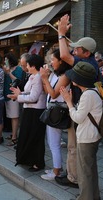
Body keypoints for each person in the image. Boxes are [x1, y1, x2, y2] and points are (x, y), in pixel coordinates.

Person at [55, 14, 99, 188]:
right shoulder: (88, 61)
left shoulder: (87, 65)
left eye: (78, 49)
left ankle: (74, 179)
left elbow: (65, 56)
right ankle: (75, 176)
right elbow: (68, 53)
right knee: (77, 150)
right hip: (83, 113)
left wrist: (60, 34)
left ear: (86, 53)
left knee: (76, 149)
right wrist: (64, 36)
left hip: (82, 114)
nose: (74, 51)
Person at [60, 61, 102, 200]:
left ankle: (85, 198)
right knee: (90, 171)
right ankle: (93, 196)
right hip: (92, 136)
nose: (71, 79)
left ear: (80, 79)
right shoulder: (93, 91)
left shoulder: (87, 95)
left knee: (84, 173)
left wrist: (68, 102)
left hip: (86, 138)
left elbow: (77, 118)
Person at [7, 54, 46, 171]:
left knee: (35, 137)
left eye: (27, 65)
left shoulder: (38, 77)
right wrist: (19, 93)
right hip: (29, 110)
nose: (25, 67)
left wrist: (18, 97)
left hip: (36, 111)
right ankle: (28, 159)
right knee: (27, 135)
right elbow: (28, 93)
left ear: (33, 66)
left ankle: (37, 162)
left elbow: (33, 97)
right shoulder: (32, 76)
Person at [39, 48, 72, 180]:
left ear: (61, 61)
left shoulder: (65, 76)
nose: (51, 62)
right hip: (52, 110)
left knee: (54, 143)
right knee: (52, 142)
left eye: (53, 59)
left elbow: (53, 94)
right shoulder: (55, 74)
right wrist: (45, 78)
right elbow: (47, 91)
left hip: (58, 112)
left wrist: (45, 78)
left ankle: (57, 171)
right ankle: (56, 168)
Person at [2, 52, 24, 146]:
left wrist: (8, 73)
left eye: (7, 60)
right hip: (7, 95)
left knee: (14, 117)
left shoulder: (18, 69)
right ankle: (13, 134)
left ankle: (15, 137)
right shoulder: (8, 69)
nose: (5, 61)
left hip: (14, 95)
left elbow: (17, 80)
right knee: (11, 116)